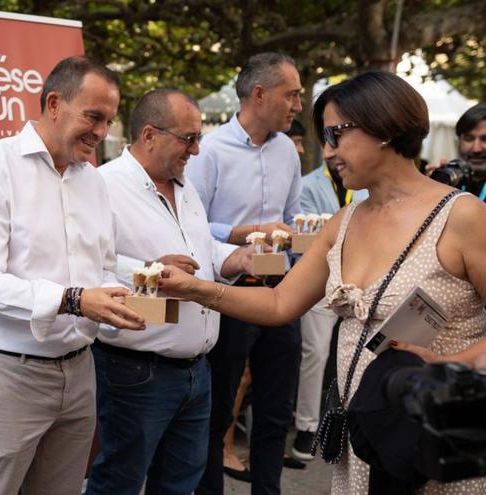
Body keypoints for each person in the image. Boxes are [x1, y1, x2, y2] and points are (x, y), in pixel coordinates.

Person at [160, 71, 486, 495]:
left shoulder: (461, 217)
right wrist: (195, 289)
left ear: (382, 128)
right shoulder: (344, 222)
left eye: (336, 134)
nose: (328, 150)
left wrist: (454, 361)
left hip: (436, 432)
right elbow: (279, 303)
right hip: (365, 432)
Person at [0, 56, 145, 495]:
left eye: (109, 121)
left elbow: (102, 265)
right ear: (55, 103)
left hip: (80, 370)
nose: (101, 132)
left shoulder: (93, 181)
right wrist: (75, 299)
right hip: (8, 373)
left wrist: (153, 274)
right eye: (93, 117)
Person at [85, 89, 252, 495]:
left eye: (198, 138)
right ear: (149, 135)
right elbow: (86, 267)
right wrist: (149, 271)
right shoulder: (101, 185)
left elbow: (203, 252)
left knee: (180, 483)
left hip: (197, 369)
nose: (196, 150)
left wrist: (237, 259)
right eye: (188, 138)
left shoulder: (185, 187)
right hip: (136, 369)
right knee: (119, 481)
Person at [185, 52, 302, 495]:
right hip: (230, 292)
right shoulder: (210, 151)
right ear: (259, 94)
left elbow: (291, 216)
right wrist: (245, 233)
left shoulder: (288, 152)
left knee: (275, 411)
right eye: (291, 95)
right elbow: (192, 223)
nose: (296, 105)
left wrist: (296, 237)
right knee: (218, 413)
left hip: (281, 291)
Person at [291, 127, 369, 461]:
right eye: (327, 143)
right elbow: (305, 239)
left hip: (363, 284)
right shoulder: (308, 185)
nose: (332, 152)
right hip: (322, 283)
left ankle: (356, 423)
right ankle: (306, 427)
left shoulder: (367, 186)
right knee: (316, 353)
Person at [426, 102, 486, 197]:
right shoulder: (454, 178)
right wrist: (431, 188)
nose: (476, 148)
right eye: (468, 138)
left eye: (485, 139)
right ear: (459, 140)